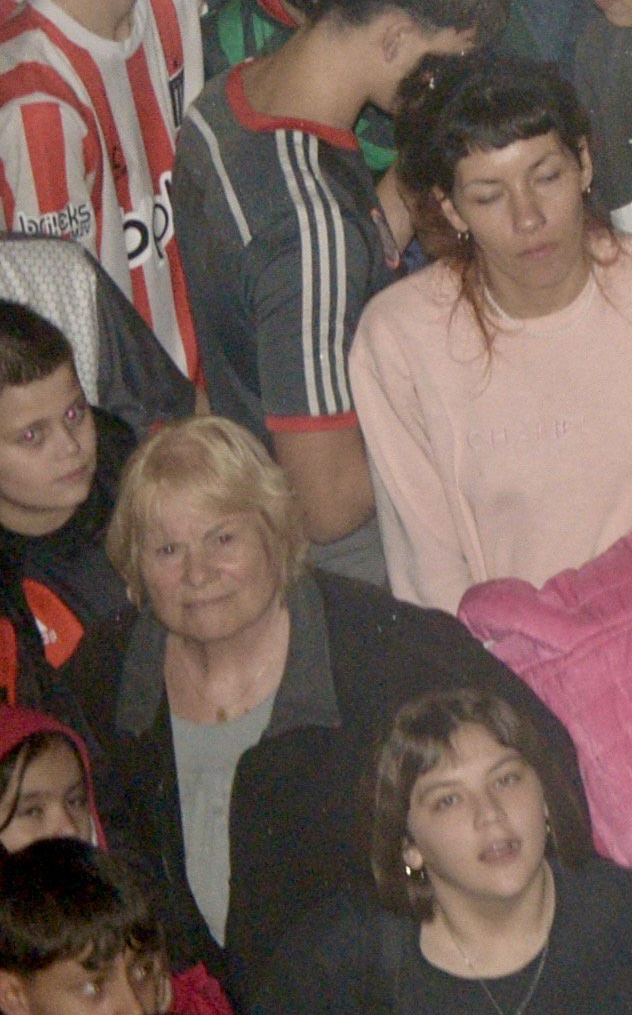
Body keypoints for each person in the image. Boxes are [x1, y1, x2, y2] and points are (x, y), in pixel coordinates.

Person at [59, 419, 574, 994]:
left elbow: (542, 761)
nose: (198, 573)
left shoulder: (391, 651)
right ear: (134, 568)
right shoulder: (102, 679)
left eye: (223, 539)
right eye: (167, 550)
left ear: (275, 534)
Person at [168, 0, 503, 568]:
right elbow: (327, 504)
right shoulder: (309, 224)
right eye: (447, 63)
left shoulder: (227, 99)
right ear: (396, 37)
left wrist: (418, 163)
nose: (452, 82)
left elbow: (322, 275)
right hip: (344, 557)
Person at [344, 55, 632, 611]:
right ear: (450, 209)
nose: (528, 217)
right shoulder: (398, 338)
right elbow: (430, 575)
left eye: (547, 177)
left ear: (583, 164)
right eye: (488, 196)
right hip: (504, 666)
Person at [250, 673, 632, 1015]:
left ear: (546, 799)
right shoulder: (342, 961)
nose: (489, 813)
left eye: (506, 779)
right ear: (408, 844)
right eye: (448, 800)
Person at [0, 0, 214, 385]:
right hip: (140, 436)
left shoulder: (170, 3)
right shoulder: (38, 105)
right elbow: (58, 335)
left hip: (212, 385)